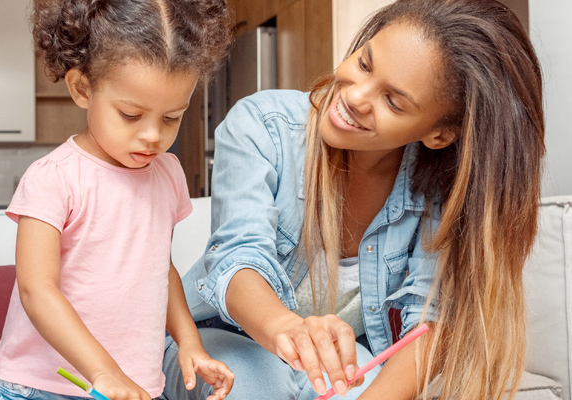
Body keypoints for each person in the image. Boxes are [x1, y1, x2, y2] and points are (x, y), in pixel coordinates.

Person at [171, 0, 545, 399]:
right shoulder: (264, 126)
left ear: (439, 134)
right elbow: (238, 259)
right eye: (365, 64)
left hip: (339, 362)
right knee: (258, 386)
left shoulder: (441, 191)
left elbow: (427, 323)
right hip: (217, 339)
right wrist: (289, 329)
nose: (355, 97)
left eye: (393, 101)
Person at [0, 1, 234, 399]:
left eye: (171, 117)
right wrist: (104, 372)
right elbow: (37, 290)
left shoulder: (167, 174)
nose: (153, 135)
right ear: (83, 88)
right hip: (41, 386)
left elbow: (159, 268)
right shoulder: (55, 178)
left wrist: (189, 342)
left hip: (134, 386)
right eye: (132, 115)